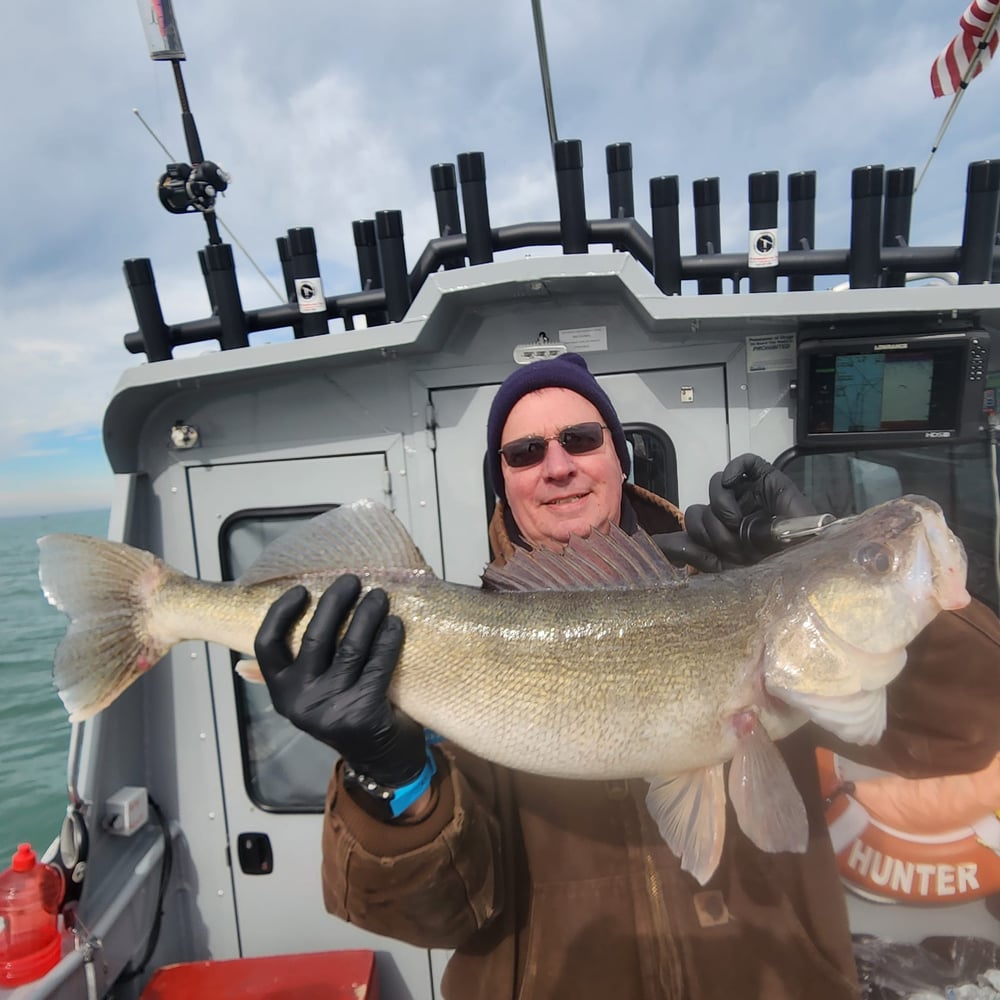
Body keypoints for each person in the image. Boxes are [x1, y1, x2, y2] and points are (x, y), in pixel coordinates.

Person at [255, 353, 1000, 1000]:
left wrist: (812, 544)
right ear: (504, 485)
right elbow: (427, 917)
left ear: (619, 458)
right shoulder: (441, 644)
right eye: (523, 453)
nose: (557, 465)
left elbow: (966, 730)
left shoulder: (750, 592)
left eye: (582, 439)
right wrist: (389, 776)